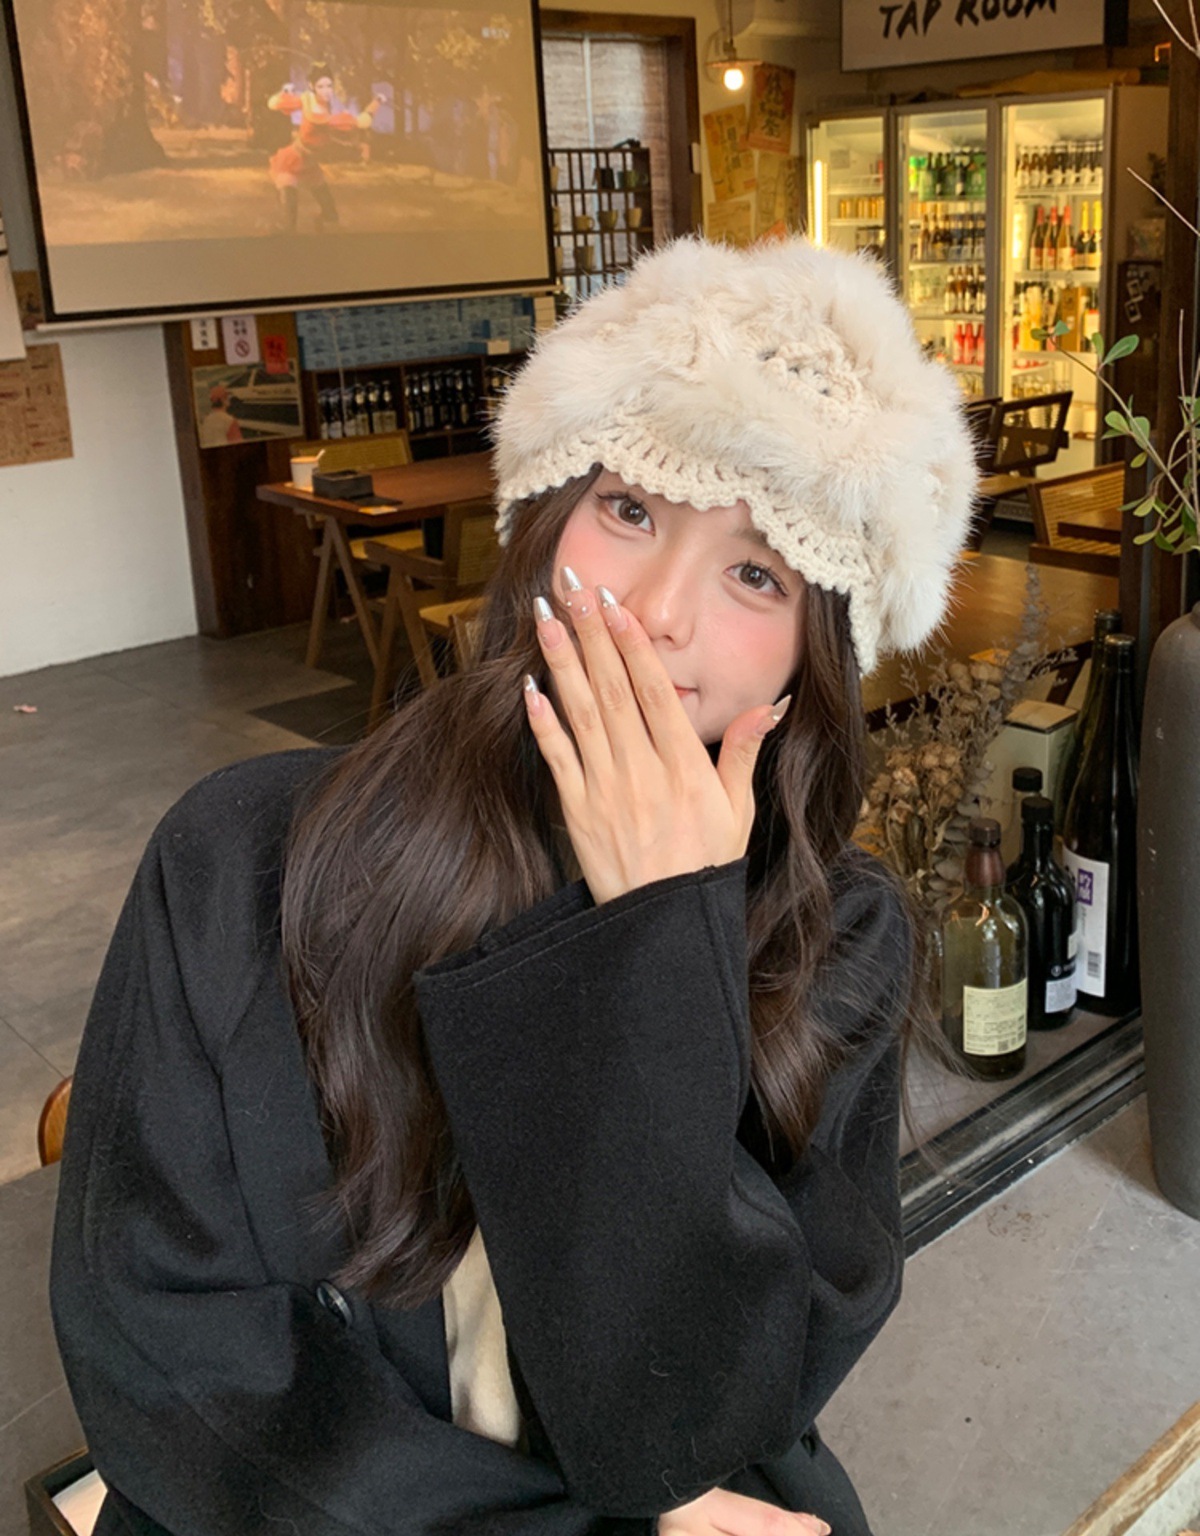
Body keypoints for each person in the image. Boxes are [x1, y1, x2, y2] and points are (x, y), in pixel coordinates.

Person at [51, 238, 976, 1536]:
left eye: (757, 572)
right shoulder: (246, 858)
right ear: (542, 521)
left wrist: (661, 940)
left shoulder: (839, 936)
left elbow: (708, 1413)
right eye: (631, 509)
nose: (657, 611)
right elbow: (168, 1357)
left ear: (810, 663)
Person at [267, 61, 382, 231]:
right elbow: (273, 104)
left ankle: (319, 223)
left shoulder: (322, 106)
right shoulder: (308, 103)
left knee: (331, 216)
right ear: (311, 86)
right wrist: (284, 93)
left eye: (329, 85)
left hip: (310, 164)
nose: (326, 91)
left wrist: (376, 102)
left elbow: (362, 122)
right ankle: (284, 233)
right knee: (289, 221)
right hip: (292, 160)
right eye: (320, 86)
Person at [197, 382, 243, 447]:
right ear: (223, 400)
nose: (229, 398)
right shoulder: (230, 420)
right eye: (227, 397)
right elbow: (239, 447)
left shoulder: (206, 420)